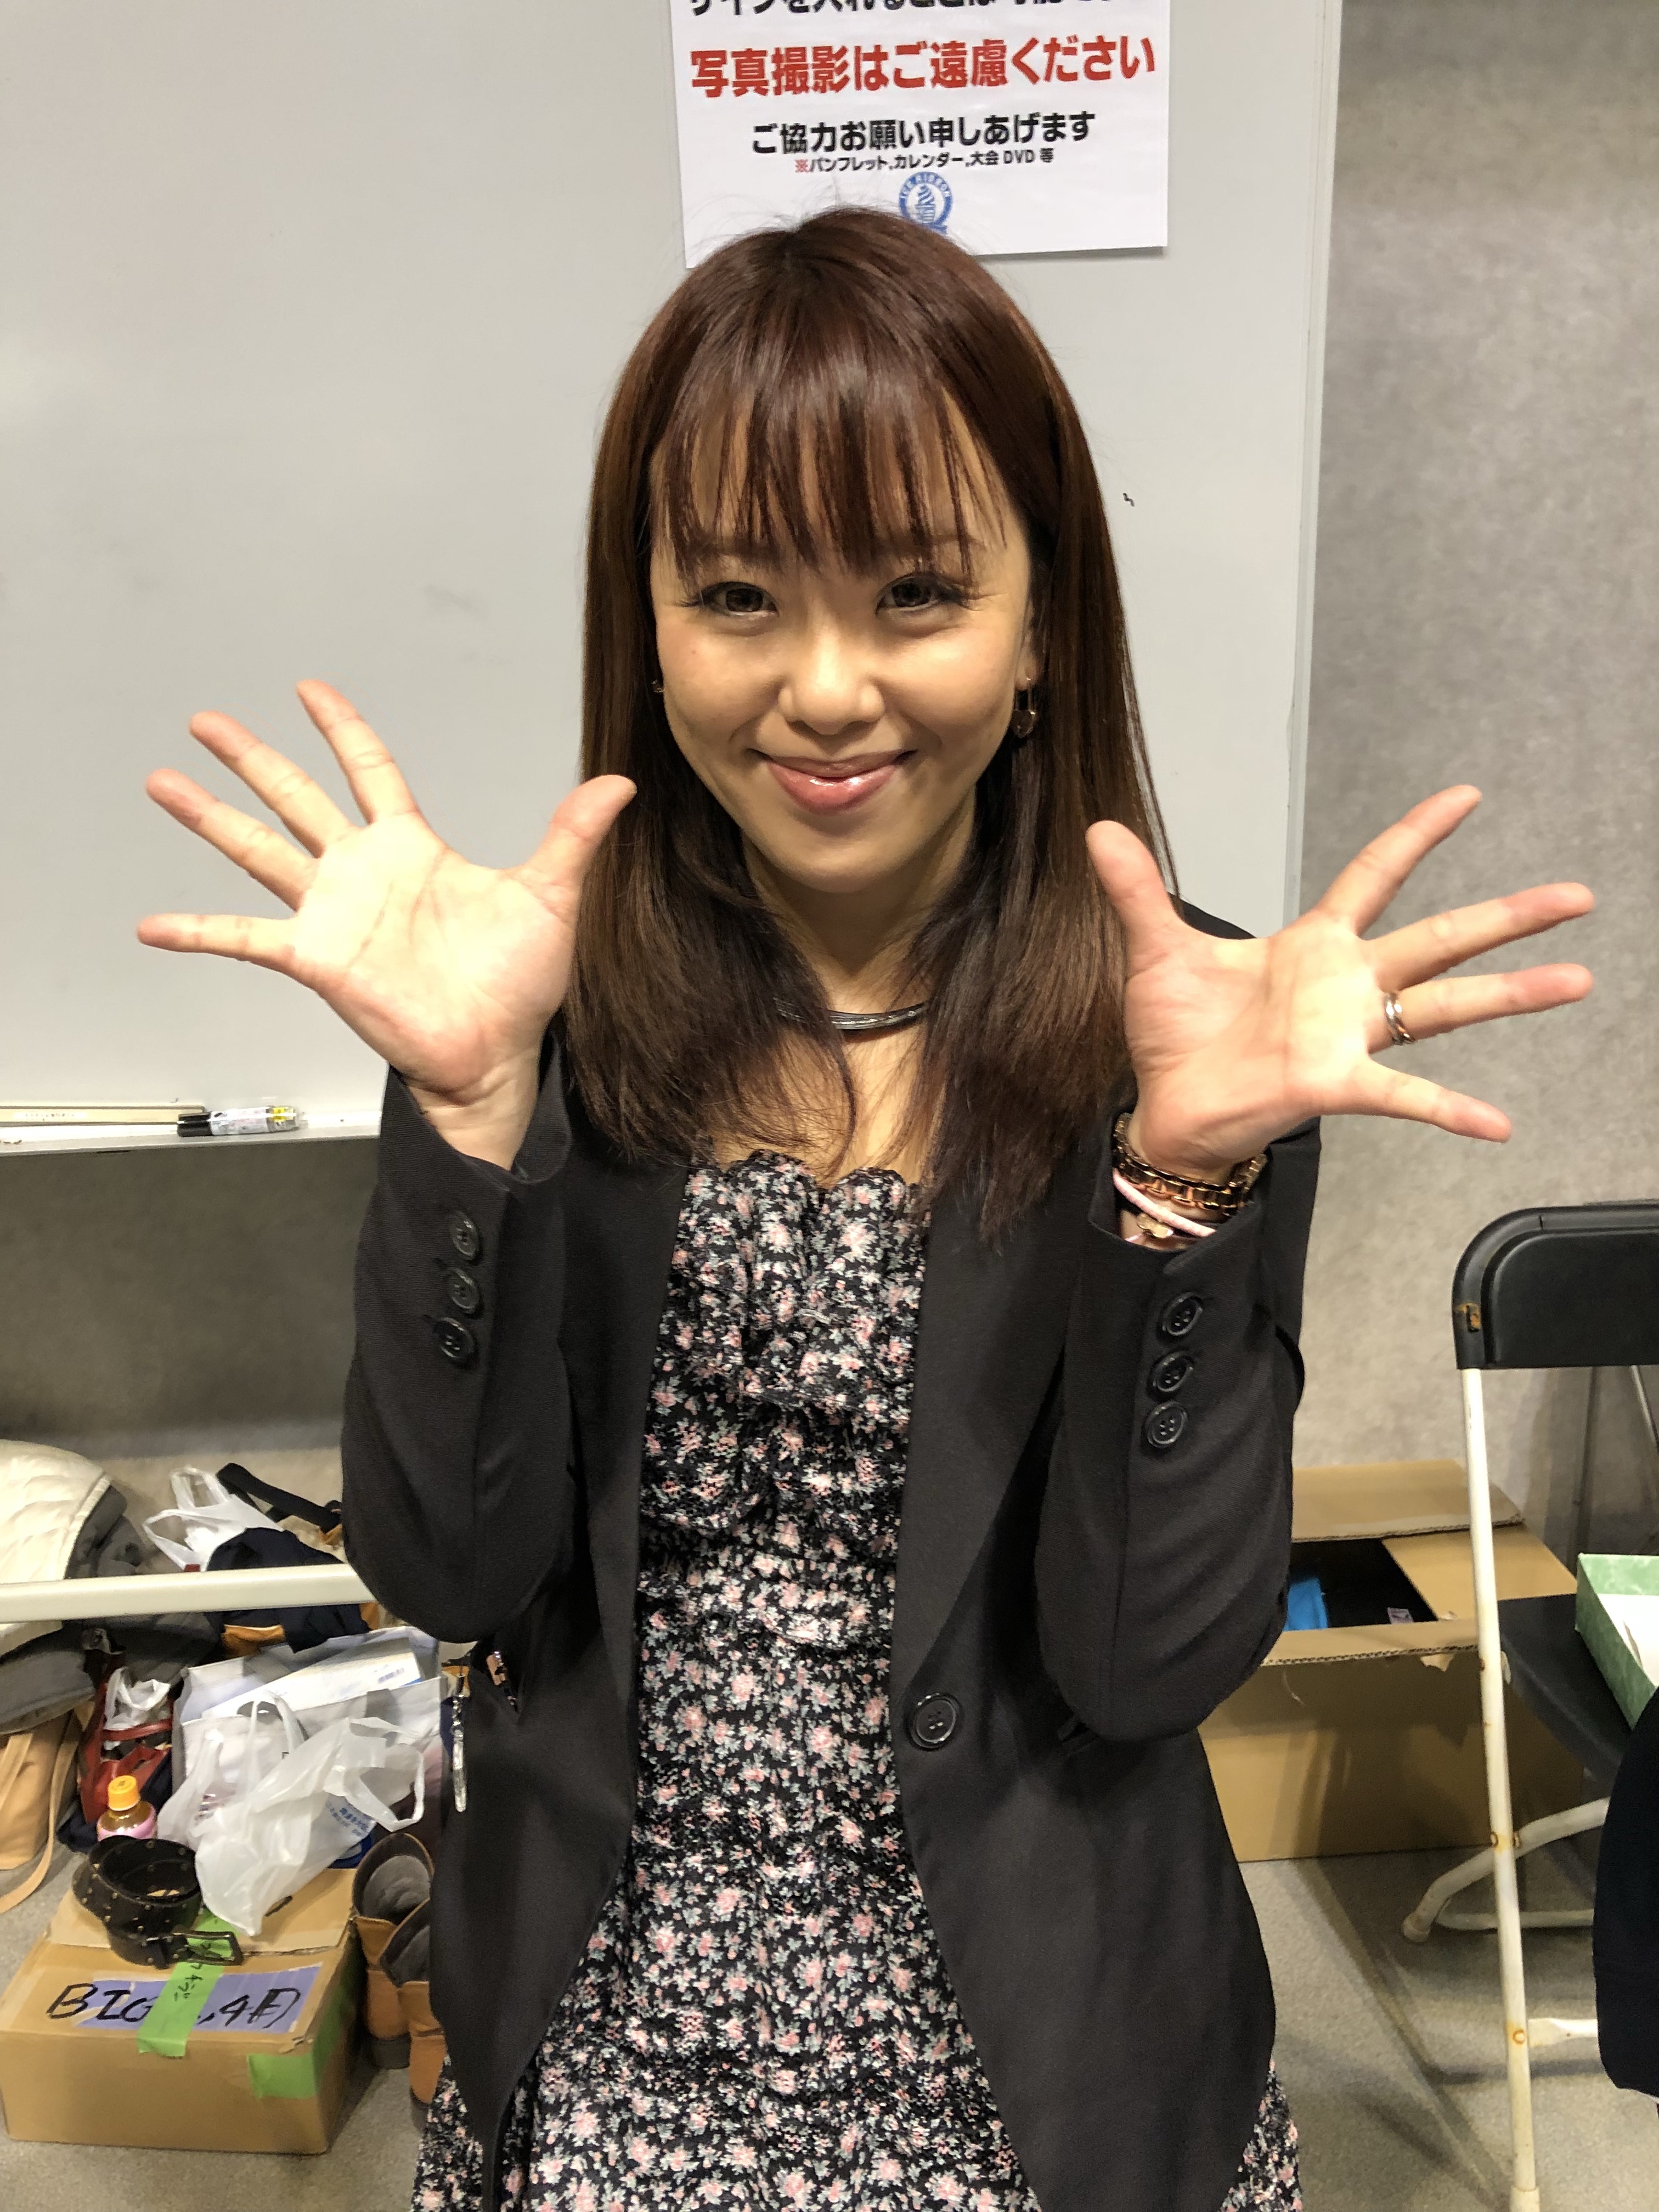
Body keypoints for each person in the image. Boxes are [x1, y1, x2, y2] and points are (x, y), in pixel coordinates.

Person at [139, 211, 1593, 2212]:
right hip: (610, 2001)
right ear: (649, 625)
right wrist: (468, 1115)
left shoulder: (1189, 1032)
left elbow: (1145, 1668)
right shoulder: (540, 1010)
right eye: (739, 595)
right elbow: (454, 1574)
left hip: (1044, 2012)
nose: (826, 691)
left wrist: (1184, 1182)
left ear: (1041, 620)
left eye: (917, 593)